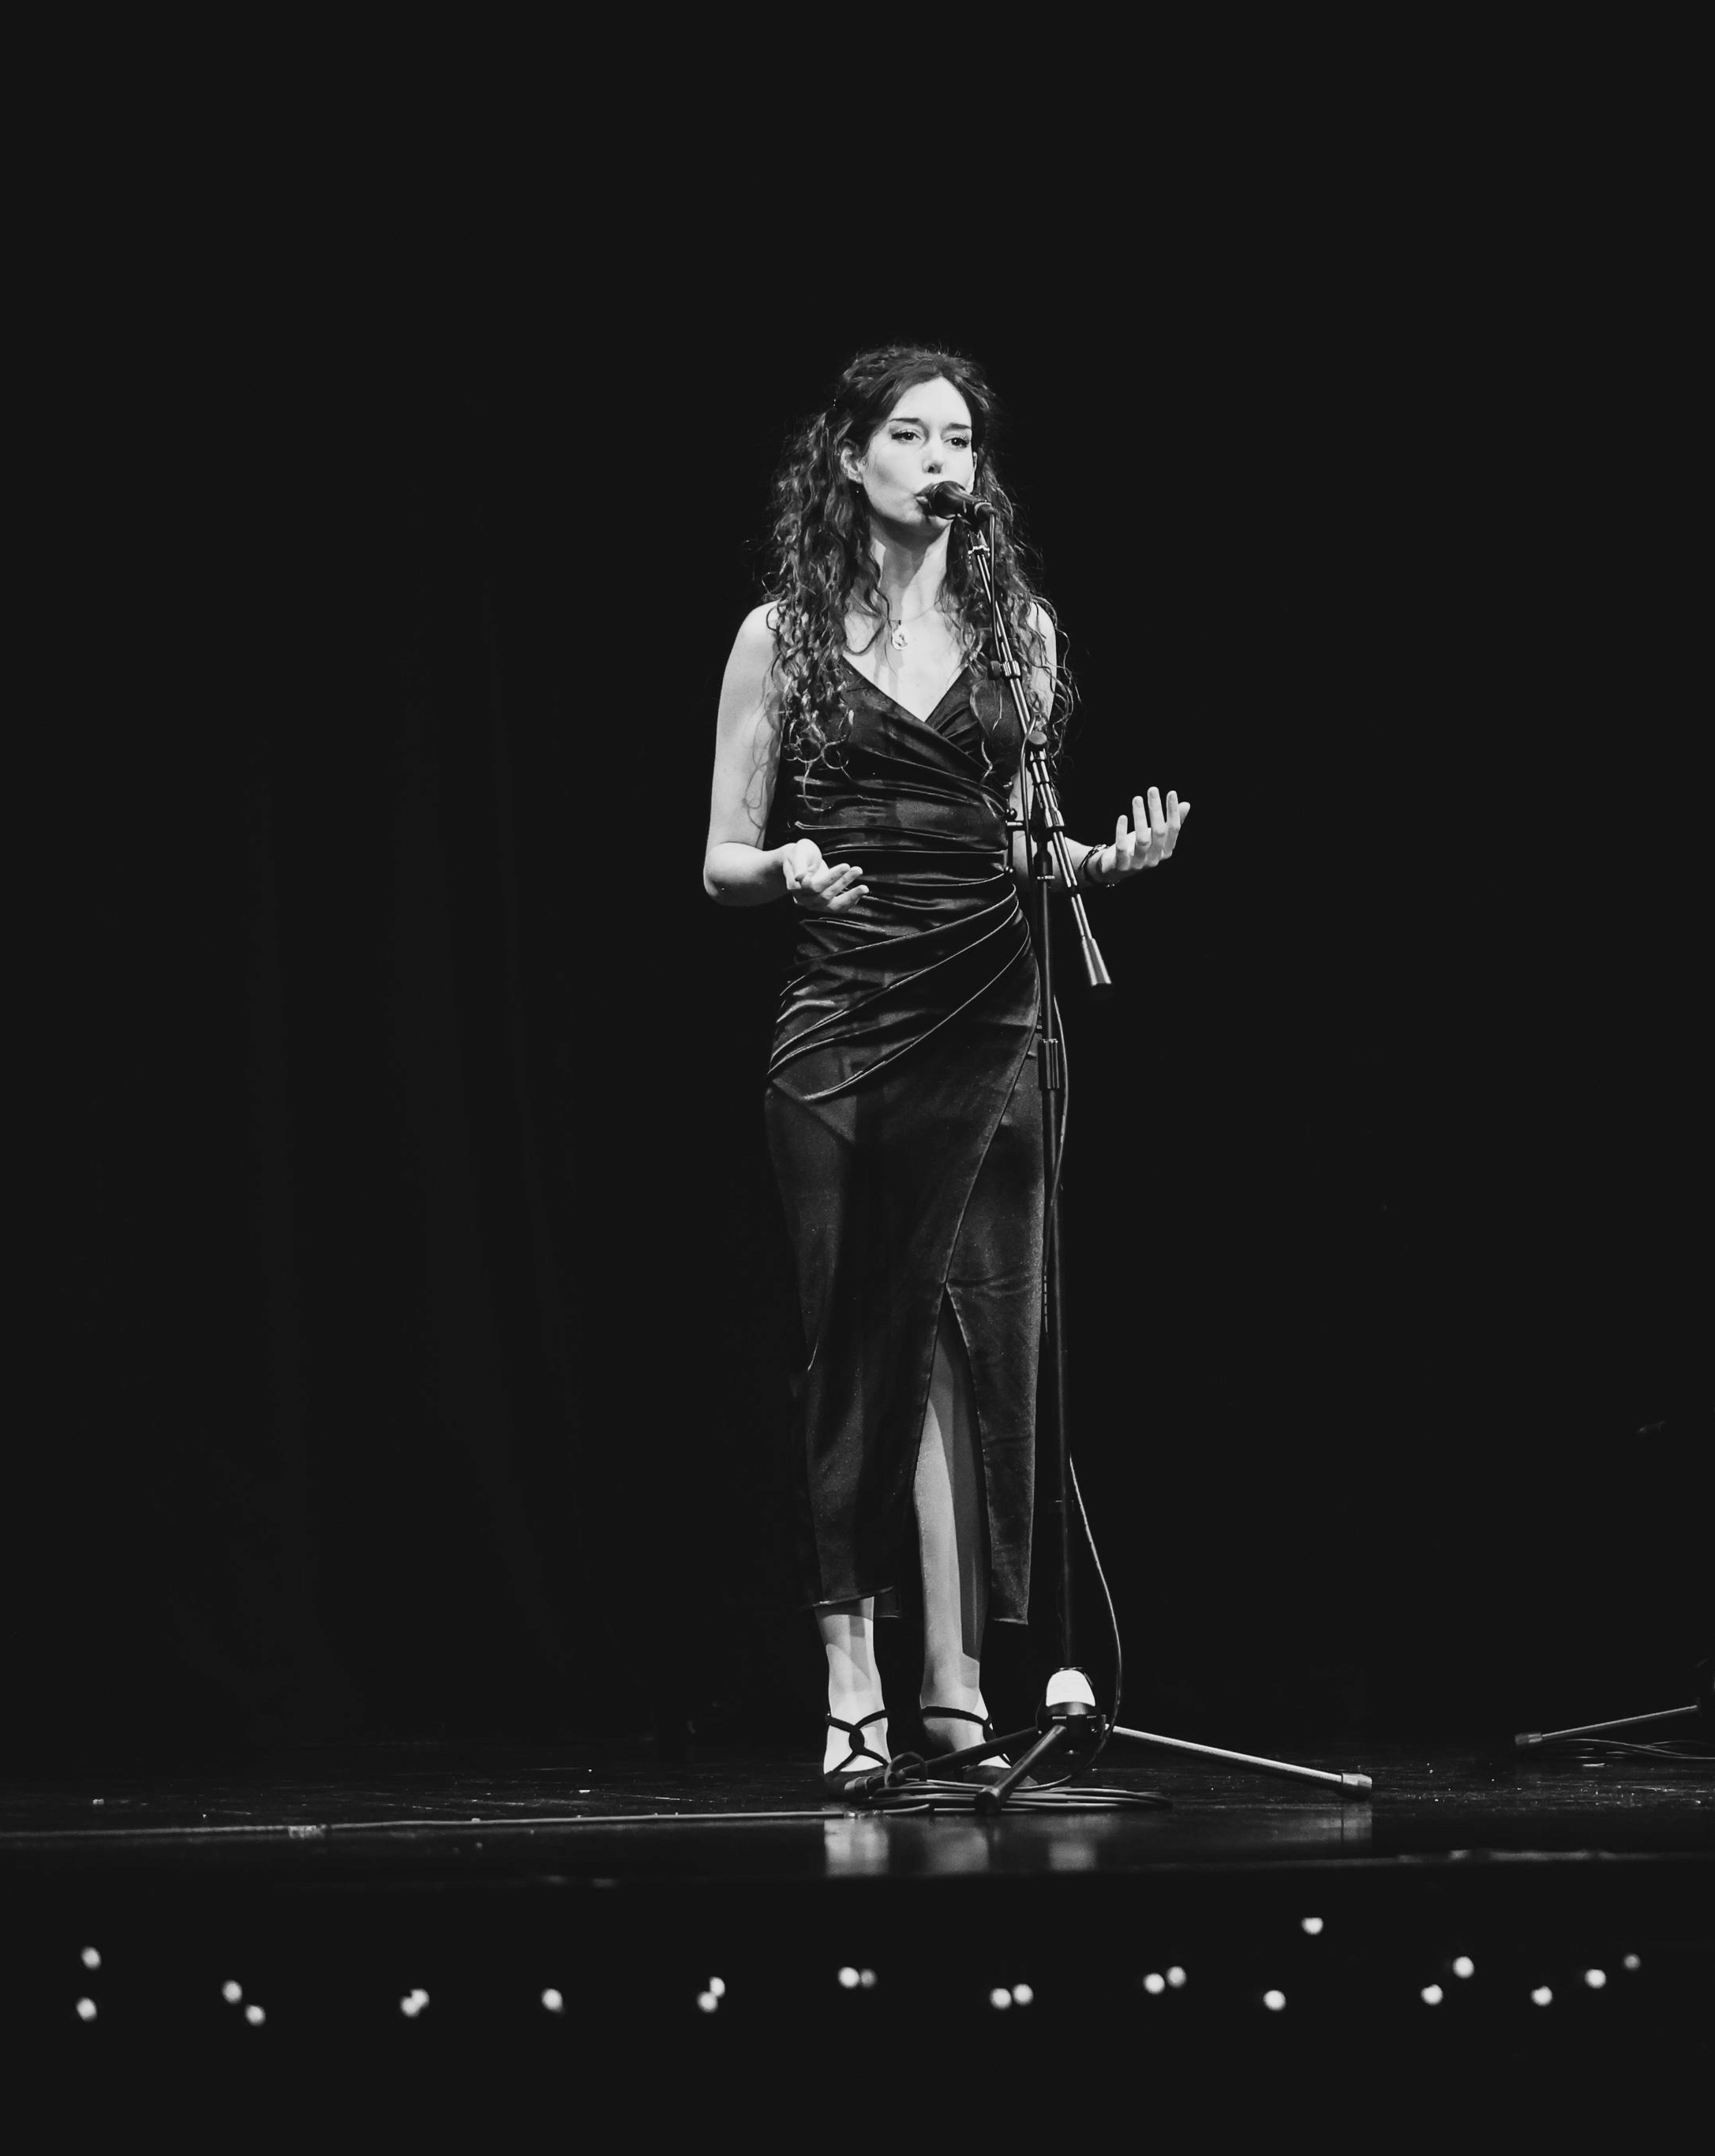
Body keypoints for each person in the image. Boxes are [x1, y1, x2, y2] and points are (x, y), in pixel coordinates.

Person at [701, 347, 1190, 1795]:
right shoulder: (780, 638)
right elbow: (720, 856)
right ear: (849, 458)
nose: (941, 462)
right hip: (846, 1017)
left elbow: (1025, 841)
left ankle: (957, 1685)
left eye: (960, 440)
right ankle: (853, 1677)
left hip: (993, 1011)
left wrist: (1102, 859)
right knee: (861, 1347)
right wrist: (789, 865)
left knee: (980, 1346)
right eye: (910, 436)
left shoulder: (1015, 629)